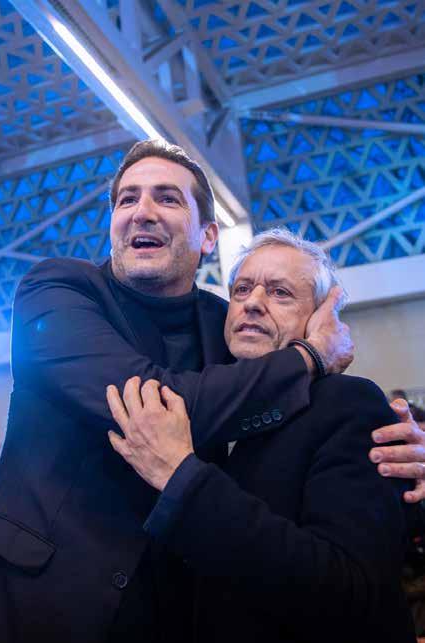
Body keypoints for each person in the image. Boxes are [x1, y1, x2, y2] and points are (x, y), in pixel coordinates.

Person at [0, 140, 422, 643]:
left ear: (208, 236)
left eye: (167, 197)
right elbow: (155, 404)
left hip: (164, 620)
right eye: (128, 198)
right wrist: (310, 354)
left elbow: (310, 426)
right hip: (25, 609)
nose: (143, 211)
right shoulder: (58, 292)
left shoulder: (228, 329)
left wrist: (401, 455)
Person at [106, 228, 417, 643]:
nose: (252, 302)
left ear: (319, 320)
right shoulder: (207, 414)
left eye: (280, 293)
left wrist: (182, 478)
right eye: (241, 289)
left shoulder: (349, 404)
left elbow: (347, 591)